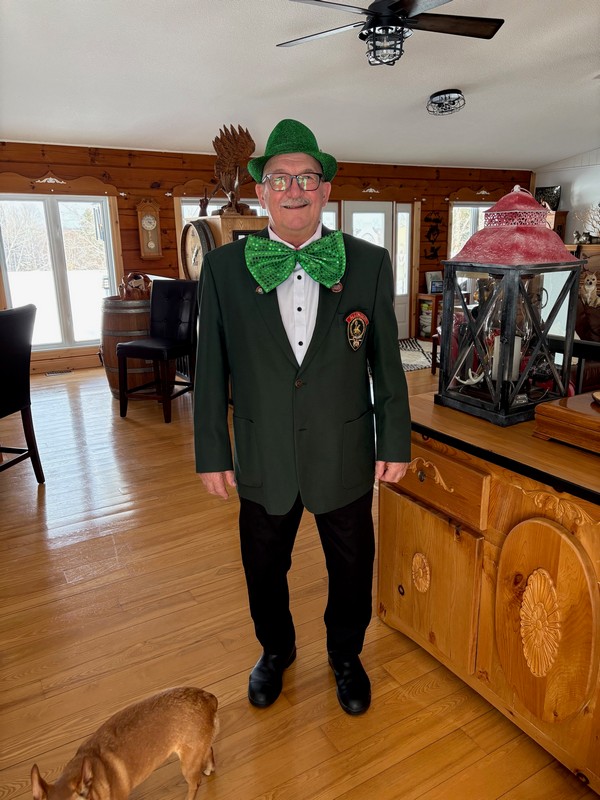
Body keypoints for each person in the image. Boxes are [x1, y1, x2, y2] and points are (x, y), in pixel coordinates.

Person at [194, 119, 411, 716]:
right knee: (263, 566)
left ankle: (346, 654)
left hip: (344, 450)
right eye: (280, 178)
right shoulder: (223, 269)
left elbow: (386, 362)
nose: (294, 189)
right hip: (263, 453)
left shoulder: (368, 262)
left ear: (326, 190)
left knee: (352, 566)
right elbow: (209, 368)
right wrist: (212, 452)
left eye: (307, 178)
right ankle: (275, 650)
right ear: (261, 191)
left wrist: (394, 440)